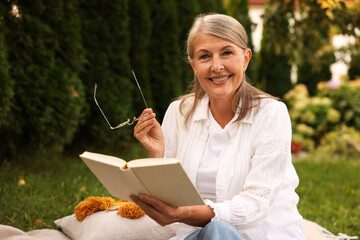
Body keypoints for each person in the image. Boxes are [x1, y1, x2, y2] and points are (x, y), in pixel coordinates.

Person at [131, 13, 305, 240]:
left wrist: (185, 213)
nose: (216, 66)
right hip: (195, 236)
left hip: (260, 236)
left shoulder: (271, 113)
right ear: (193, 65)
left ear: (245, 58)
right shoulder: (178, 112)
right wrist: (156, 153)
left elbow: (257, 203)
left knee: (219, 229)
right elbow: (168, 196)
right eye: (204, 56)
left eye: (227, 53)